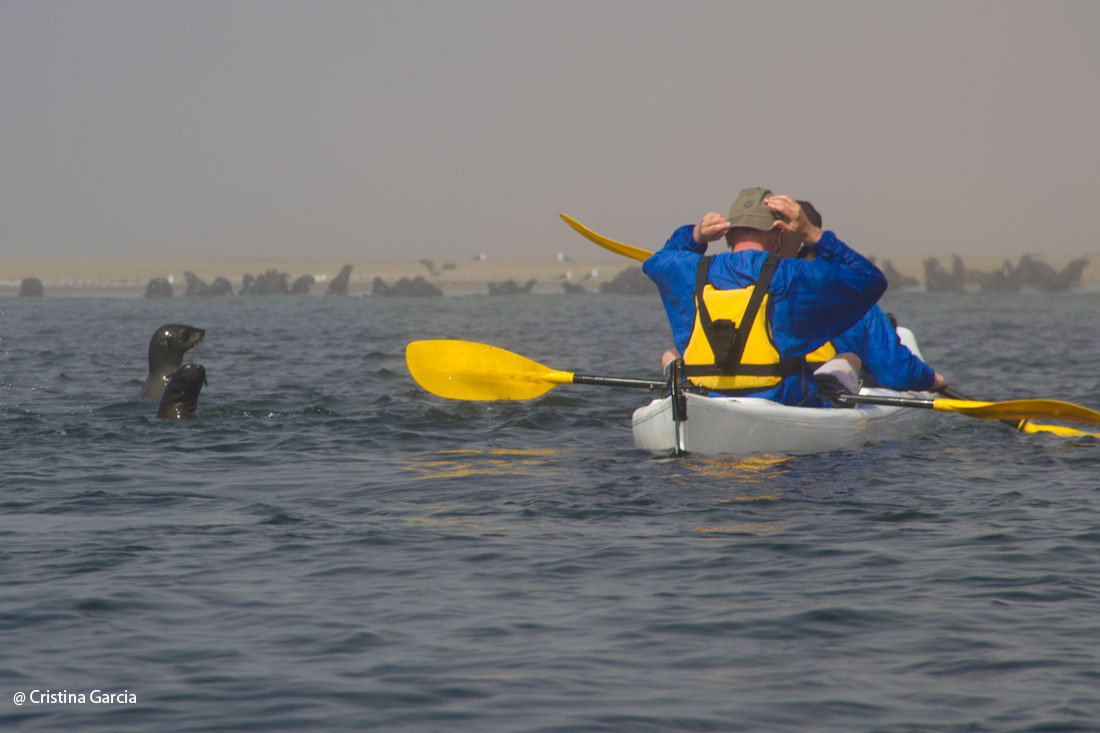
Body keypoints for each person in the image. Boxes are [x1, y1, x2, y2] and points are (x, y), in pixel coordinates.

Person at [644, 187, 886, 407]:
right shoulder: (791, 275)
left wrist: (695, 236)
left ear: (727, 235)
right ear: (779, 235)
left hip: (703, 398)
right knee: (849, 358)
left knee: (671, 353)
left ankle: (675, 389)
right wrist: (811, 233)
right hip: (778, 402)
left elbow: (656, 261)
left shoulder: (688, 269)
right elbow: (870, 279)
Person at [789, 202, 948, 396]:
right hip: (822, 399)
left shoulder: (752, 291)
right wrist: (932, 380)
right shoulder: (852, 298)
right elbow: (894, 370)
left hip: (768, 394)